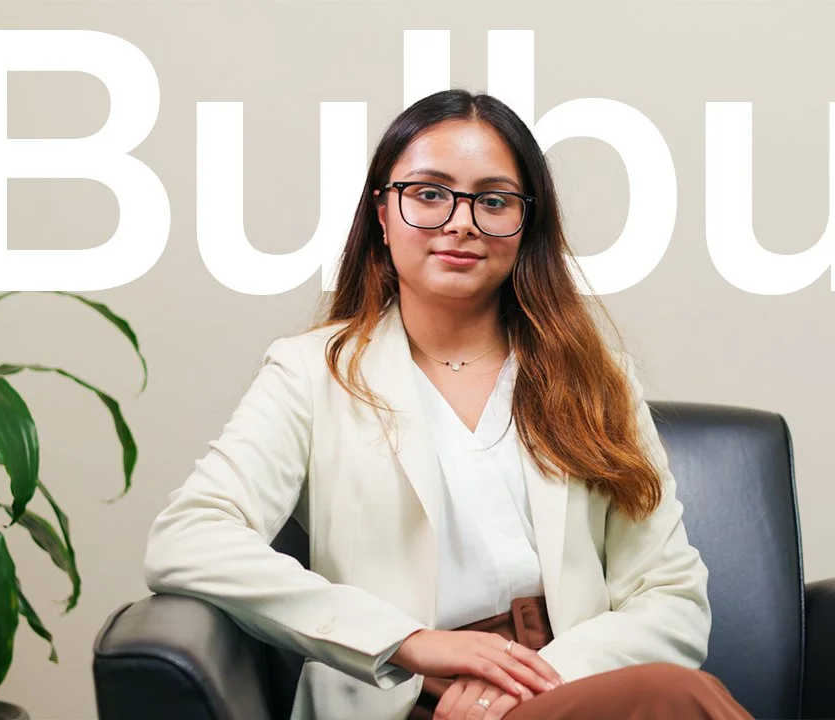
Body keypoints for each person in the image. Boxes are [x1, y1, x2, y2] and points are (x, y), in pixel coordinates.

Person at [143, 89, 752, 720]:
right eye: (430, 194)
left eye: (494, 201)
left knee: (671, 695)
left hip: (567, 685)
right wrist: (406, 642)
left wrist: (532, 679)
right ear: (383, 214)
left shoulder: (598, 381)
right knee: (679, 699)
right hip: (409, 698)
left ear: (527, 225)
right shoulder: (311, 373)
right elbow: (189, 537)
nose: (462, 222)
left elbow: (671, 596)